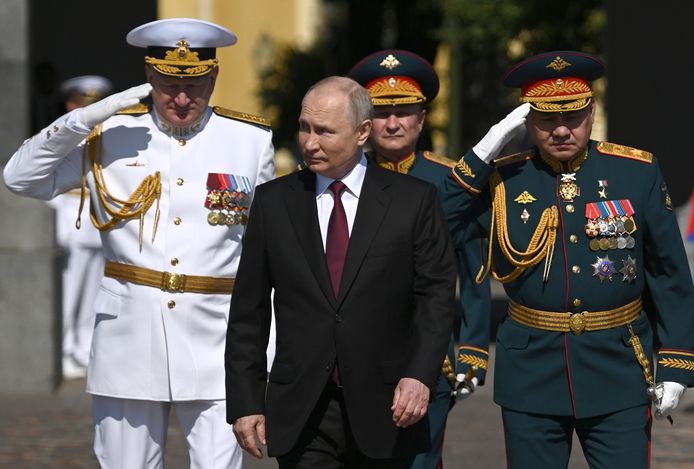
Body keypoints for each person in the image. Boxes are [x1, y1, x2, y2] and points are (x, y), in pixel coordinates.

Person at [4, 18, 275, 469]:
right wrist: (80, 121)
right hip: (128, 336)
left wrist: (268, 343)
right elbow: (18, 178)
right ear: (150, 76)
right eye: (169, 85)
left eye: (195, 85)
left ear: (214, 77)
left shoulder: (249, 140)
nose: (183, 99)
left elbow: (266, 245)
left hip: (217, 340)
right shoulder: (107, 135)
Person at [438, 50, 694, 468]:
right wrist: (486, 148)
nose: (561, 130)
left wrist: (676, 364)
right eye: (545, 120)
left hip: (619, 365)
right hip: (531, 369)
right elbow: (435, 223)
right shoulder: (504, 178)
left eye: (573, 117)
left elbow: (669, 273)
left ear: (591, 112)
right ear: (527, 121)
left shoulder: (636, 172)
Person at [225, 76, 457, 468]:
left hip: (387, 405)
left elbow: (435, 299)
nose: (309, 143)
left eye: (325, 131)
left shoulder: (412, 201)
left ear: (363, 132)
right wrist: (246, 401)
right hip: (303, 408)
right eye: (304, 128)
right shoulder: (274, 203)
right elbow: (248, 311)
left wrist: (419, 376)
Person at [348, 49, 491, 469]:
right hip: (358, 353)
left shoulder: (449, 181)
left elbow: (475, 271)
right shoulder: (342, 180)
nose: (393, 123)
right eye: (381, 112)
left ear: (421, 119)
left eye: (405, 111)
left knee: (421, 461)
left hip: (429, 355)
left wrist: (474, 350)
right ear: (365, 122)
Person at [49, 75, 113, 380]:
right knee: (68, 294)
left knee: (92, 295)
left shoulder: (110, 137)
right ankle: (63, 349)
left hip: (99, 226)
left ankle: (83, 348)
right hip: (69, 226)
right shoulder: (59, 137)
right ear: (70, 105)